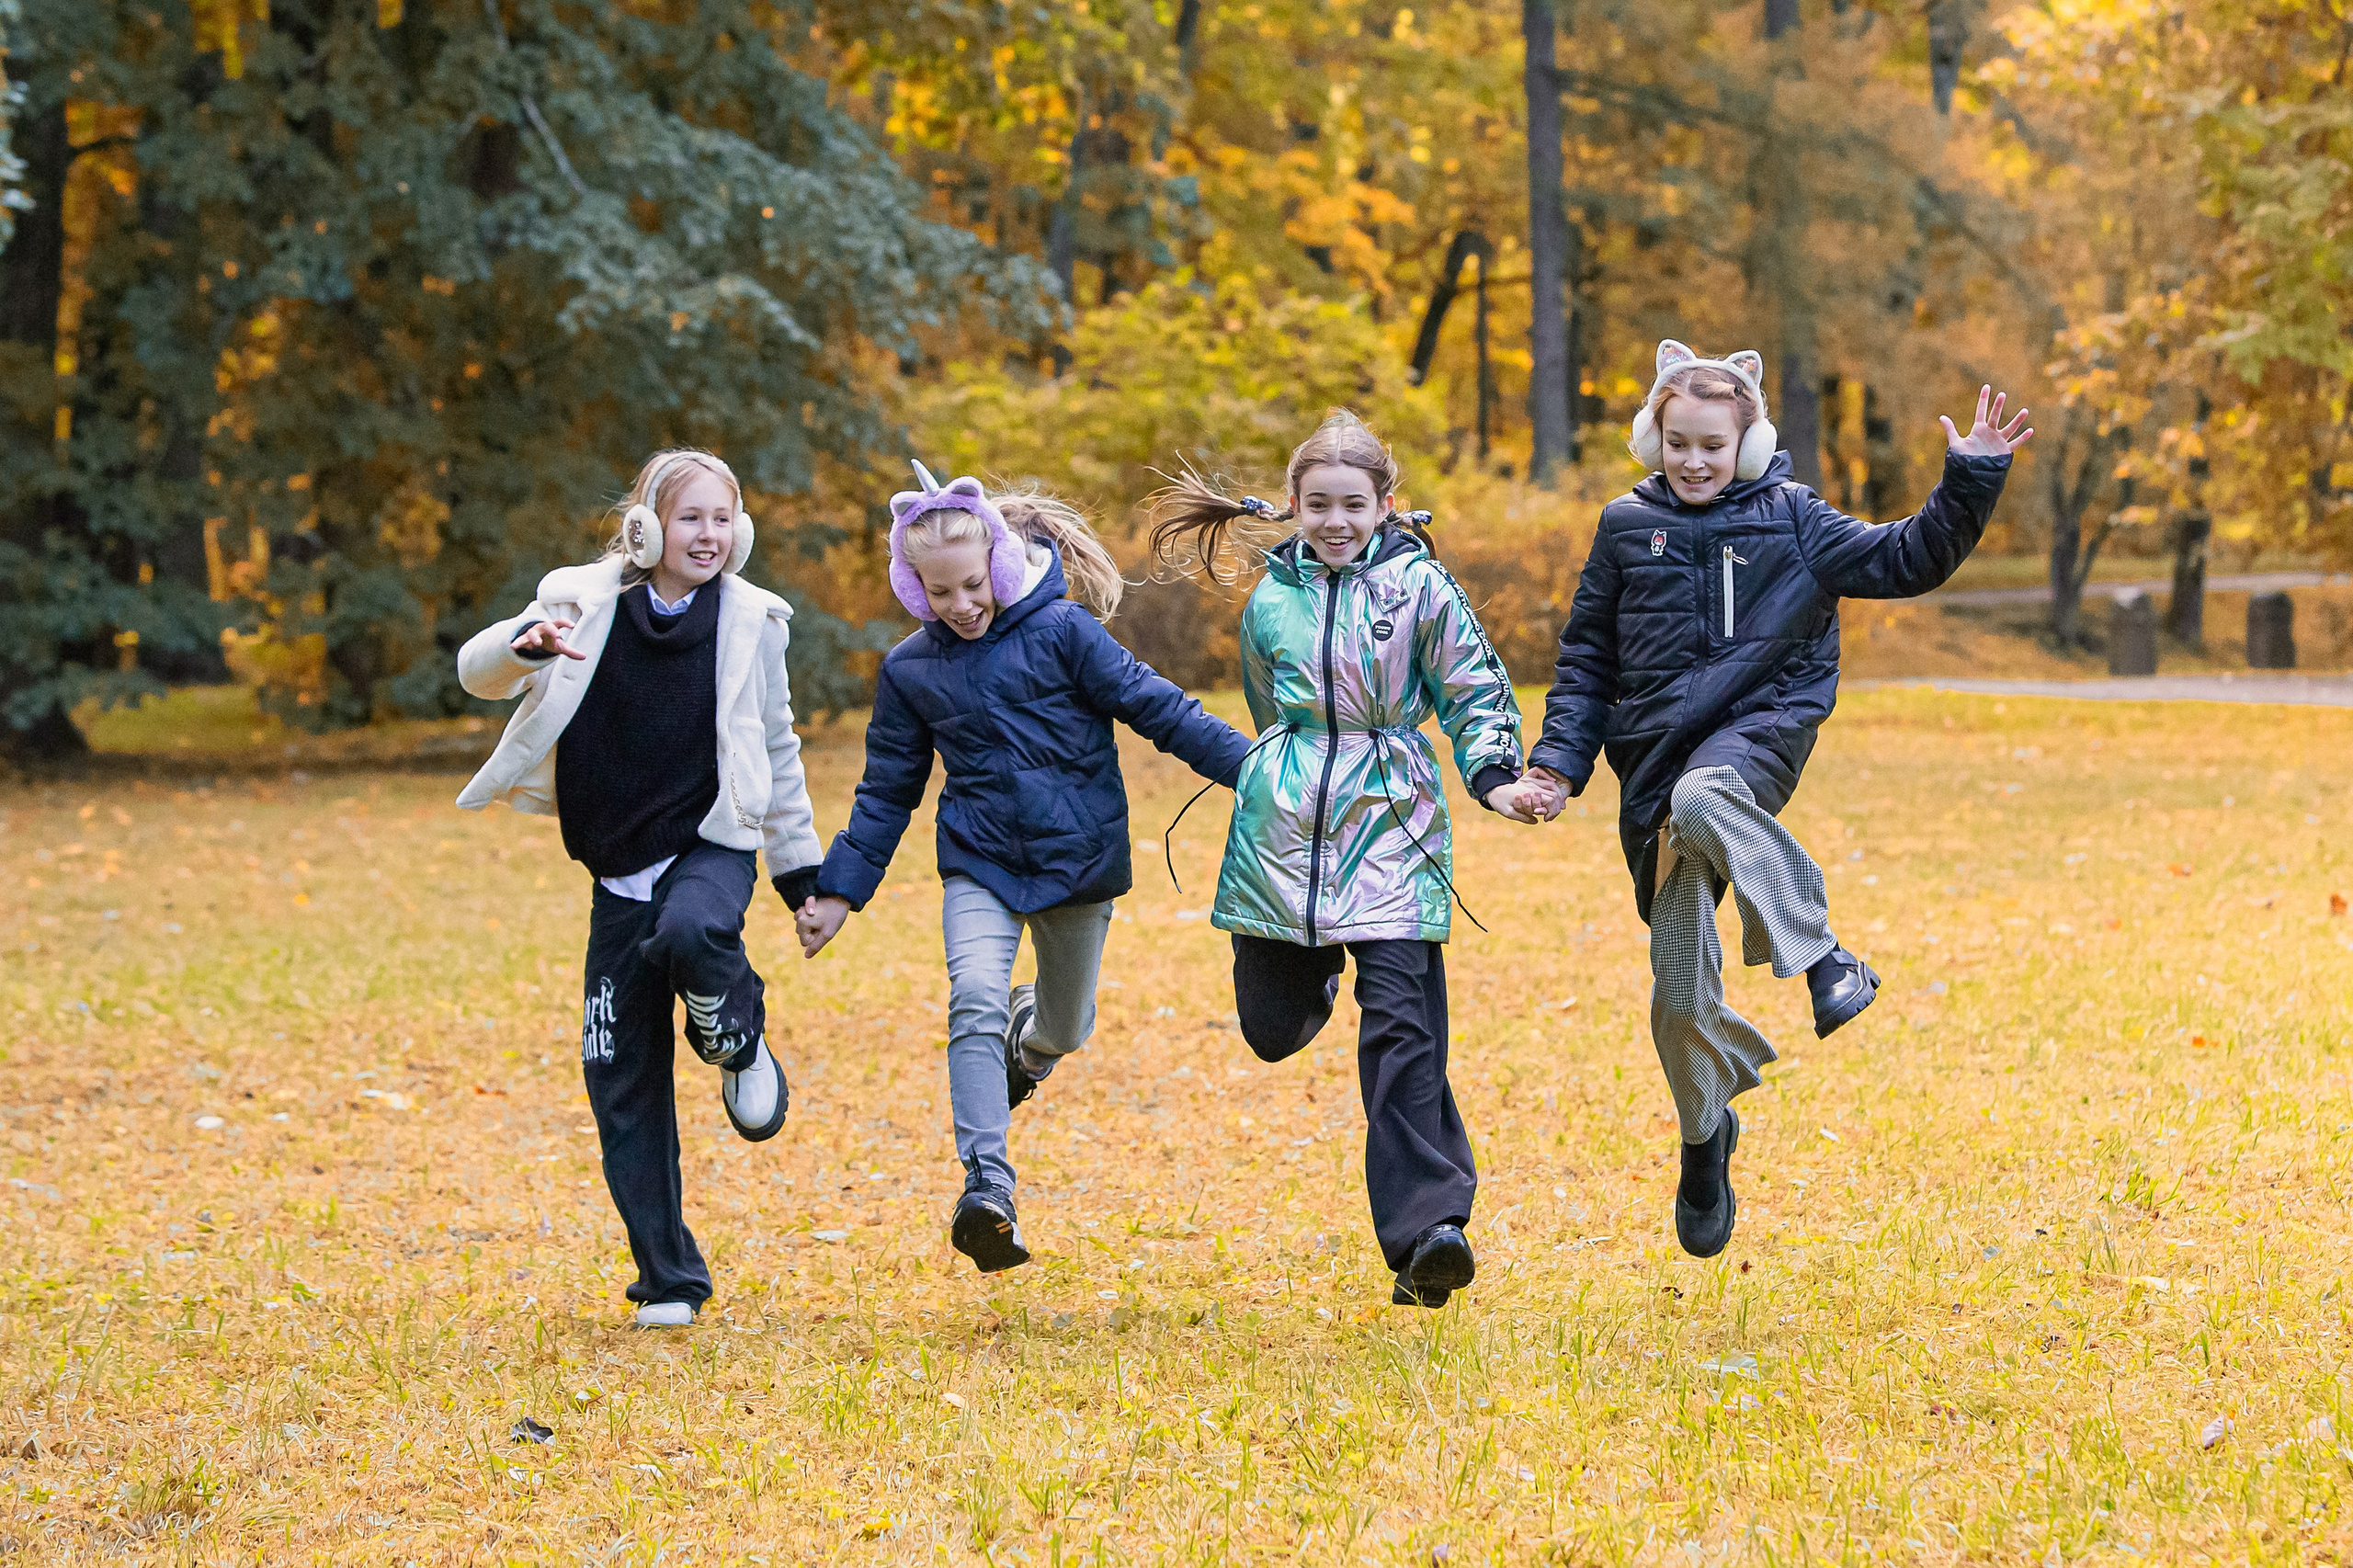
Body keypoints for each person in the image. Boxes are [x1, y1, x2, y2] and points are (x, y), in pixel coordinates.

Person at [1513, 341, 2031, 1259]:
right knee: (1677, 998)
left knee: (1711, 792)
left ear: (1748, 442)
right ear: (1653, 439)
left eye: (1713, 443)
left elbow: (1905, 558)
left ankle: (1823, 954)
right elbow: (1586, 661)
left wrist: (1970, 478)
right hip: (1652, 770)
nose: (1694, 460)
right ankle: (1705, 1137)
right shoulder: (1625, 526)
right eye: (1677, 442)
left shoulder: (1795, 519)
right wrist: (1555, 767)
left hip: (1757, 734)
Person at [794, 466, 1251, 1274]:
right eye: (939, 593)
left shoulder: (1066, 632)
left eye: (972, 585)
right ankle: (987, 1187)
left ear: (1000, 567)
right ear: (914, 589)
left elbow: (1159, 709)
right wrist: (838, 890)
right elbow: (886, 790)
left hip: (1078, 861)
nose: (960, 605)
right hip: (981, 862)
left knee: (1067, 1027)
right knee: (971, 995)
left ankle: (1031, 1046)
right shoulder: (910, 670)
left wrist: (1257, 770)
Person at [1147, 409, 1534, 1310]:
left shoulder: (1422, 590)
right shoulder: (1269, 599)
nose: (1334, 519)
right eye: (1317, 503)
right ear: (1291, 504)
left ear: (1385, 505)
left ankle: (1428, 1232)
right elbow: (1260, 699)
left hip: (1392, 826)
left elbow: (1474, 688)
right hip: (1281, 834)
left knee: (1403, 1034)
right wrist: (1280, 772)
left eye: (1352, 504)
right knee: (1270, 1029)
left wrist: (1496, 777)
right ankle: (1313, 974)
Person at [455, 449, 820, 1328]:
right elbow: (475, 673)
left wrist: (800, 874)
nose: (709, 534)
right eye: (691, 517)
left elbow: (777, 745)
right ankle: (668, 1280)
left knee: (691, 932)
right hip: (614, 871)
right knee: (616, 1075)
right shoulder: (581, 602)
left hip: (710, 847)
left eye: (723, 519)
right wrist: (521, 645)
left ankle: (738, 1039)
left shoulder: (752, 620)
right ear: (650, 526)